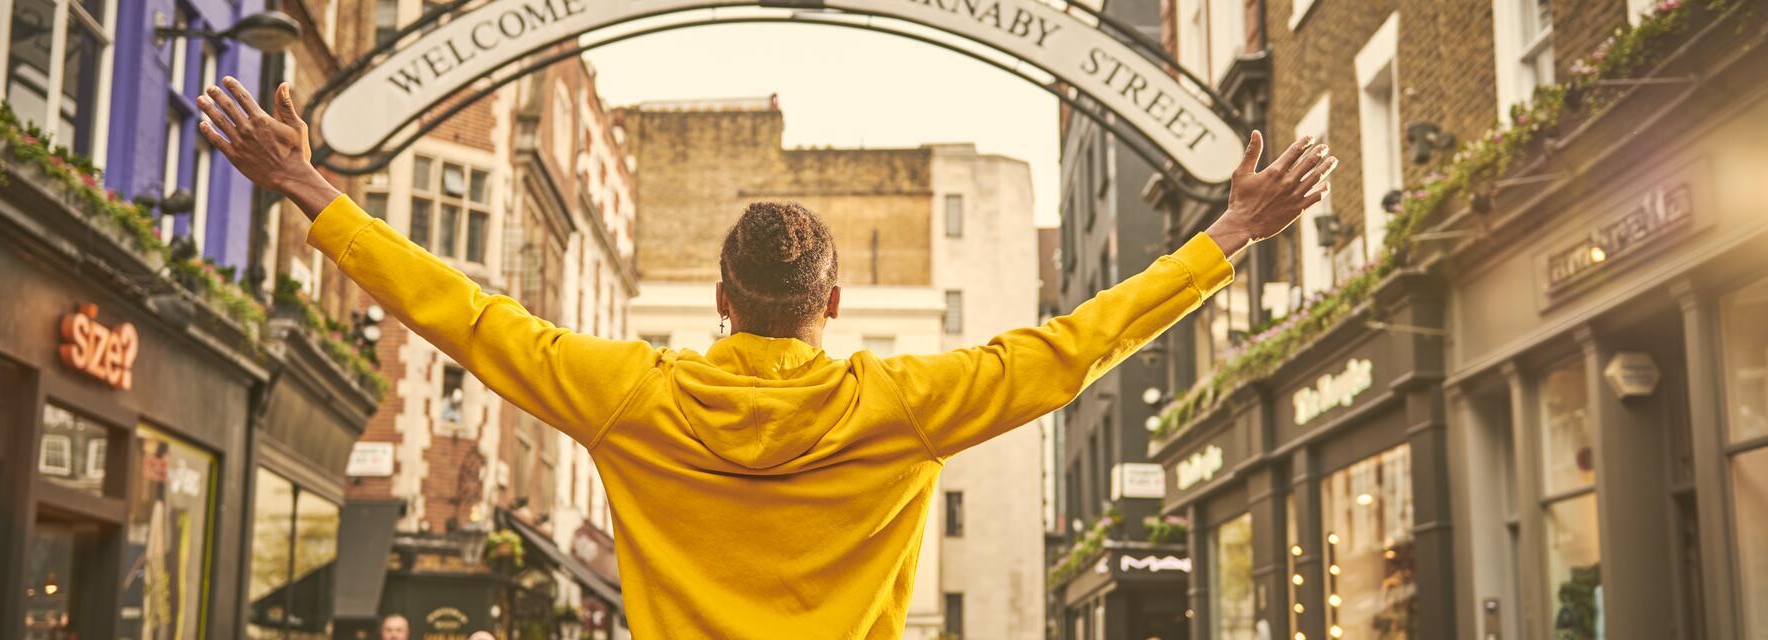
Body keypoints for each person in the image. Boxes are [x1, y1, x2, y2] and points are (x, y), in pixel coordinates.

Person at [197, 77, 1334, 639]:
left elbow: (466, 317)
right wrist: (1231, 232)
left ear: (719, 299)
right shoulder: (907, 406)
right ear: (831, 301)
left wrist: (305, 184)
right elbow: (1080, 344)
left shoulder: (631, 395)